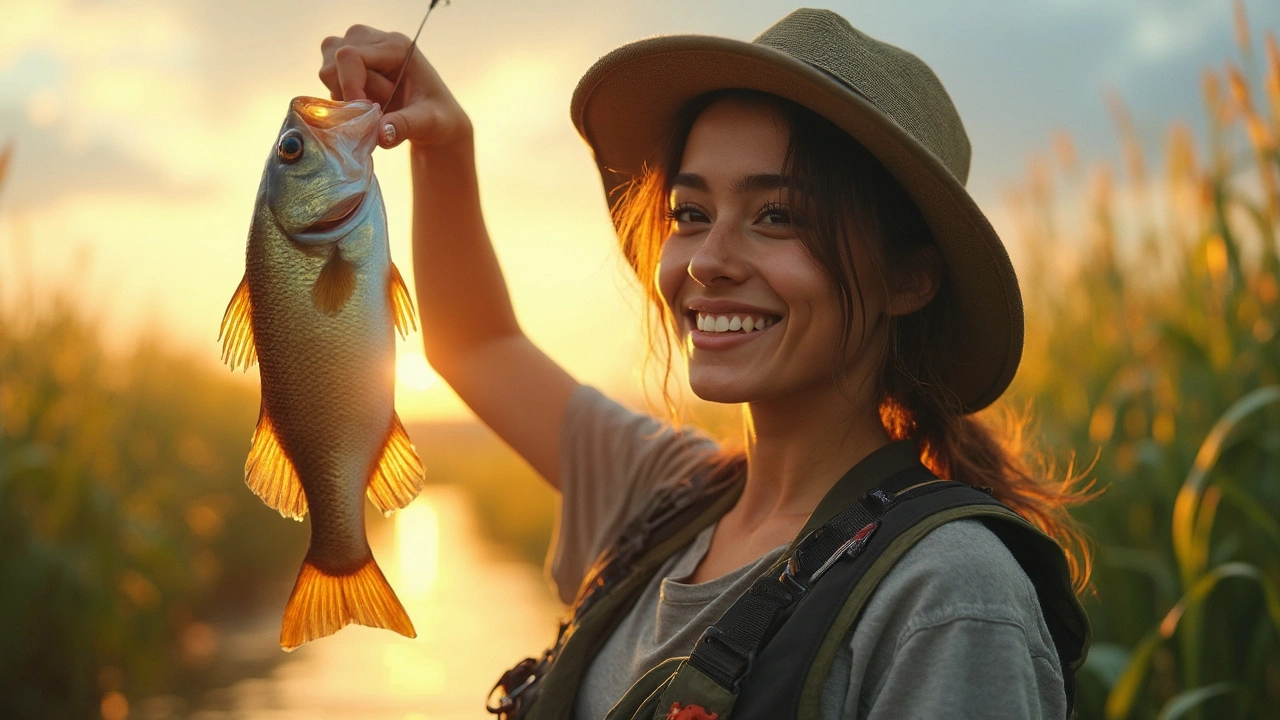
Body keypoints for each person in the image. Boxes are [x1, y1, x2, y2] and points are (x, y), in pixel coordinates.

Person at [319, 7, 1091, 719]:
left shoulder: (947, 596)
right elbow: (478, 345)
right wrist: (443, 143)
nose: (709, 261)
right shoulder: (667, 497)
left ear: (908, 277)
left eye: (776, 216)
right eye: (691, 214)